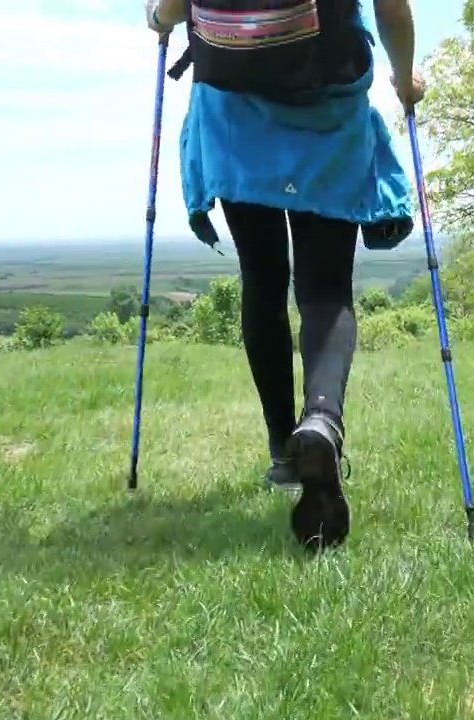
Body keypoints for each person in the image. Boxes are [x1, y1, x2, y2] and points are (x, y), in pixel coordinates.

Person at [145, 0, 426, 551]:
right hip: (328, 107)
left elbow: (175, 8)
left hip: (233, 116)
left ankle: (283, 450)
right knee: (324, 288)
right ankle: (321, 420)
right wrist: (403, 78)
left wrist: (157, 20)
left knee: (263, 279)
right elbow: (392, 8)